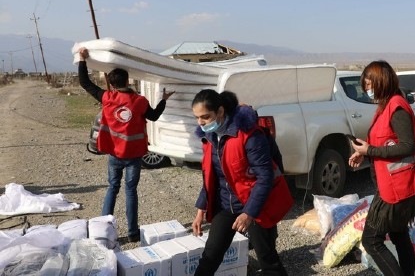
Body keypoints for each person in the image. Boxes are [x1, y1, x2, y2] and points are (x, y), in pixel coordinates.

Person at [191, 89, 293, 276]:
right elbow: (210, 177)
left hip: (255, 205)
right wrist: (200, 211)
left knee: (267, 259)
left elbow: (265, 177)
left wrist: (249, 213)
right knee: (210, 256)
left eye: (205, 117)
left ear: (220, 112)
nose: (200, 123)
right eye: (197, 117)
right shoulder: (209, 138)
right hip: (226, 204)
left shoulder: (249, 135)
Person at [77, 47, 174, 242]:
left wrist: (82, 59)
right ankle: (132, 234)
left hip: (114, 155)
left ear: (111, 85)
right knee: (131, 191)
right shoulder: (139, 101)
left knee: (112, 188)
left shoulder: (107, 98)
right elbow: (153, 116)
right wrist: (163, 100)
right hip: (134, 156)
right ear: (128, 81)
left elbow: (84, 83)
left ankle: (102, 231)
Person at [348, 60, 415, 276]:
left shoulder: (396, 108)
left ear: (381, 82)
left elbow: (408, 146)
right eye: (365, 85)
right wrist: (363, 152)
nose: (367, 90)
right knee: (398, 234)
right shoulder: (386, 105)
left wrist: (370, 151)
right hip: (393, 185)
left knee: (371, 240)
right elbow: (385, 142)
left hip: (396, 190)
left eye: (369, 84)